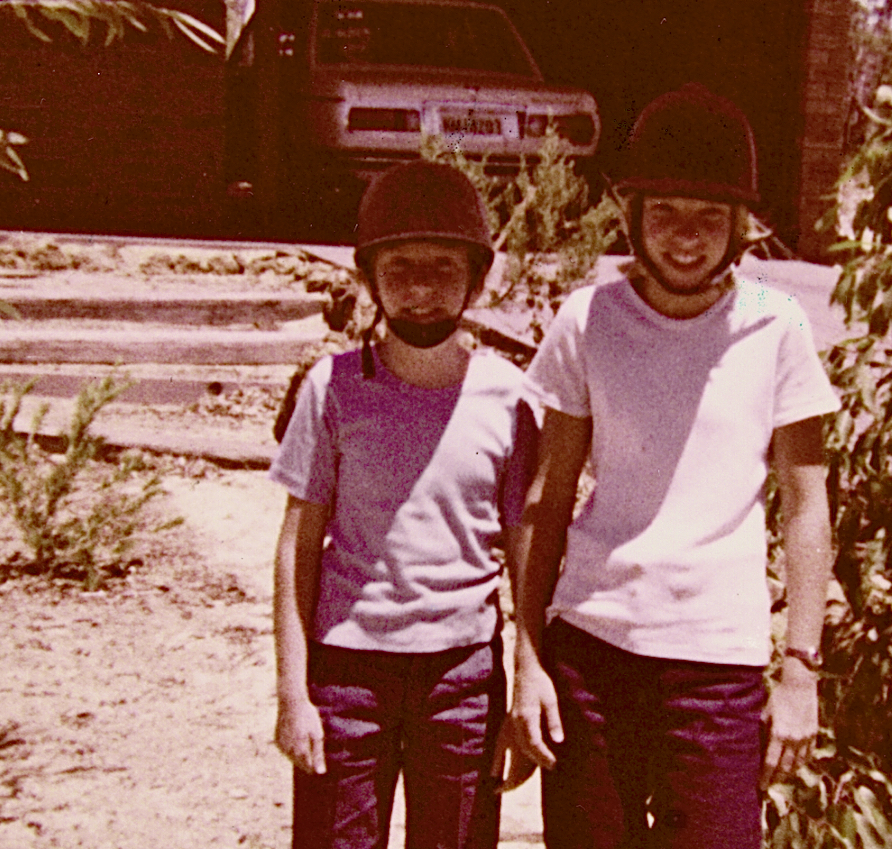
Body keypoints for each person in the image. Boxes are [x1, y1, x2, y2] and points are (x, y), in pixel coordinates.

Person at [502, 83, 841, 849]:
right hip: (592, 649)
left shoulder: (776, 327)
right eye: (666, 215)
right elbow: (546, 501)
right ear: (633, 213)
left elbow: (806, 506)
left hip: (716, 665)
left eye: (708, 219)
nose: (685, 238)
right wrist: (528, 657)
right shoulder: (587, 320)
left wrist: (801, 673)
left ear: (741, 228)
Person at [269, 160, 538, 849]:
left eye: (444, 268)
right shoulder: (332, 390)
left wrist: (529, 679)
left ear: (479, 279)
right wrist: (294, 692)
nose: (420, 289)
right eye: (399, 268)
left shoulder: (509, 397)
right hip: (349, 672)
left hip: (462, 675)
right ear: (369, 279)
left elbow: (527, 552)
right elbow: (298, 545)